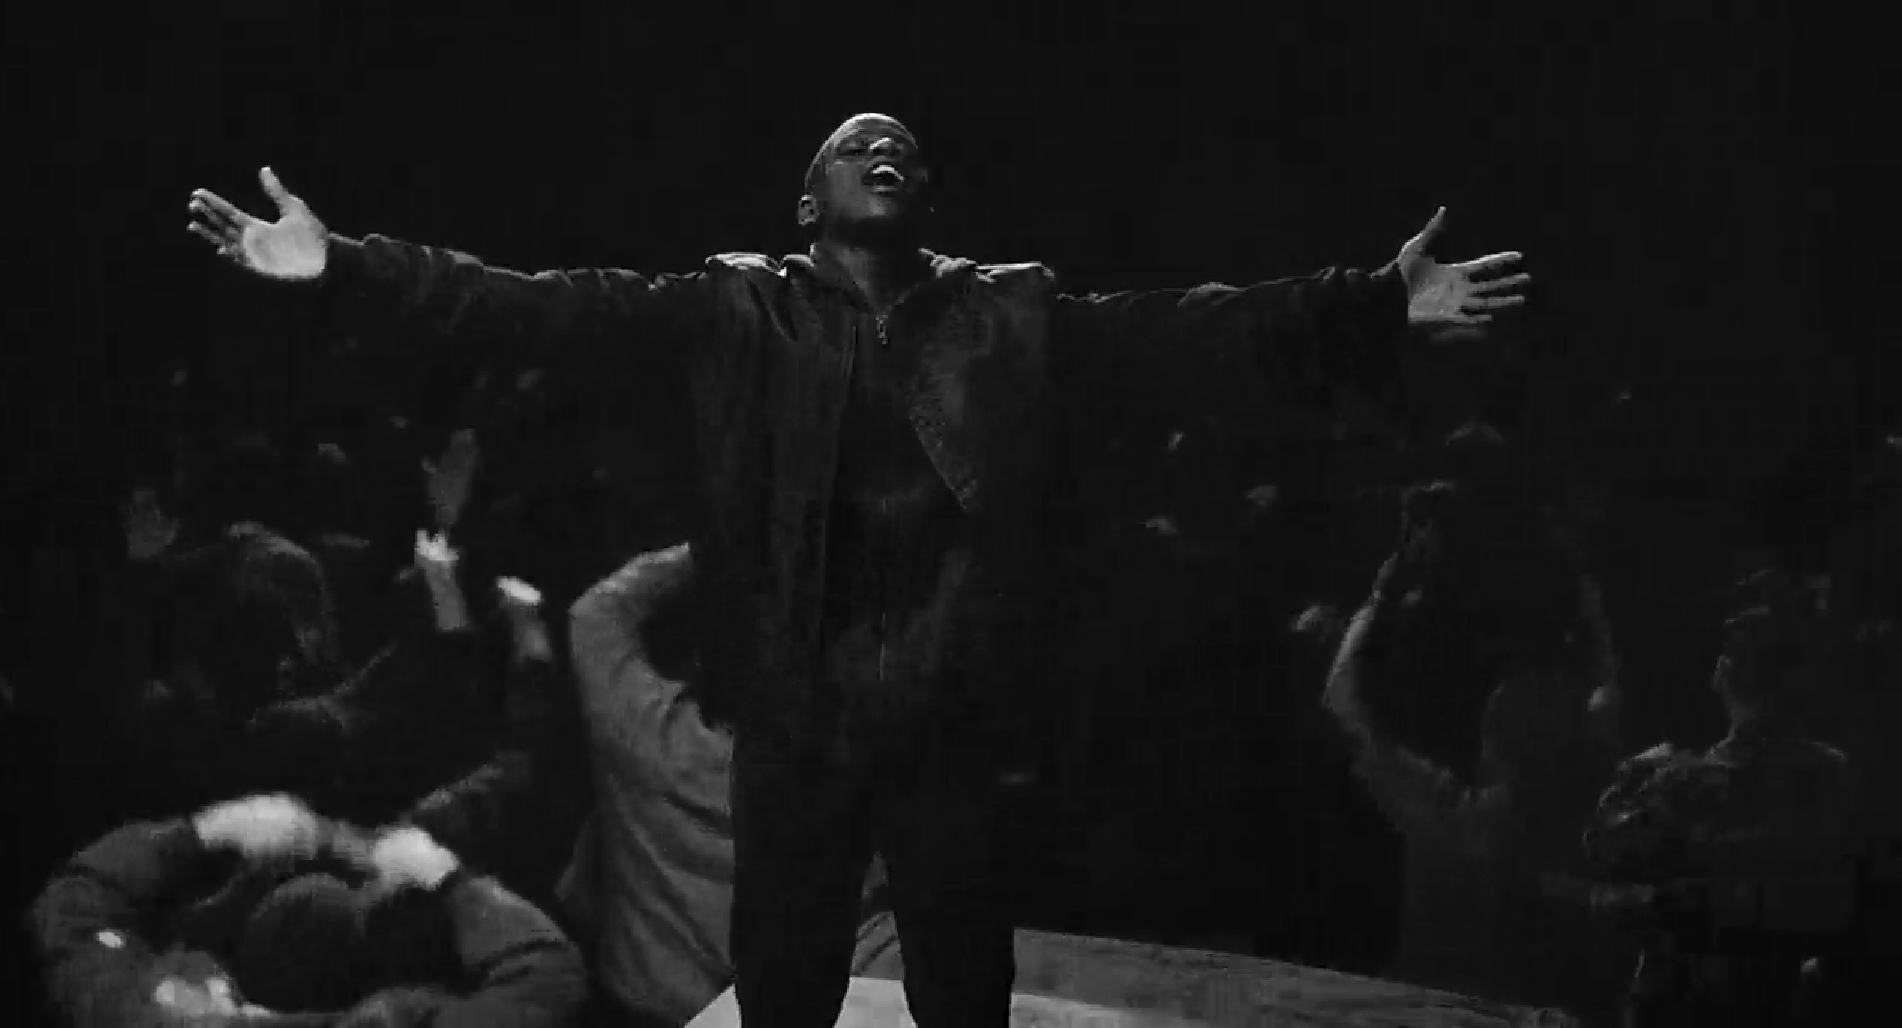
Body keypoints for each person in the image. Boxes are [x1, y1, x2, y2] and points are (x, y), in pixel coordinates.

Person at [186, 111, 1530, 1028]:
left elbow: (1194, 333)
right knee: (786, 986)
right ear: (805, 203)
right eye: (851, 143)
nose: (884, 147)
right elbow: (531, 304)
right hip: (797, 711)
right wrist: (345, 267)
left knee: (960, 984)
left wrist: (1373, 303)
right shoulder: (735, 308)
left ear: (926, 197)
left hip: (949, 709)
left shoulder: (1007, 312)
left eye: (903, 146)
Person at [1322, 481, 1631, 1020]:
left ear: (1494, 741)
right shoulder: (1606, 827)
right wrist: (1582, 588)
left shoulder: (1449, 821)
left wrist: (1380, 596)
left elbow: (1345, 704)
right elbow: (1607, 687)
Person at [561, 545, 899, 1027]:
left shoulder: (639, 732)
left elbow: (596, 613)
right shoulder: (864, 773)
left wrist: (725, 543)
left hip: (644, 1016)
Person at [27, 793, 586, 1026]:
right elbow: (549, 976)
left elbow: (74, 904)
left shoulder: (138, 1011)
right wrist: (452, 882)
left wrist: (205, 831)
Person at [1582, 574, 1858, 1027]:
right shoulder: (1830, 773)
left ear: (1723, 674)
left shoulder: (1685, 781)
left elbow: (1602, 852)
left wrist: (1631, 780)